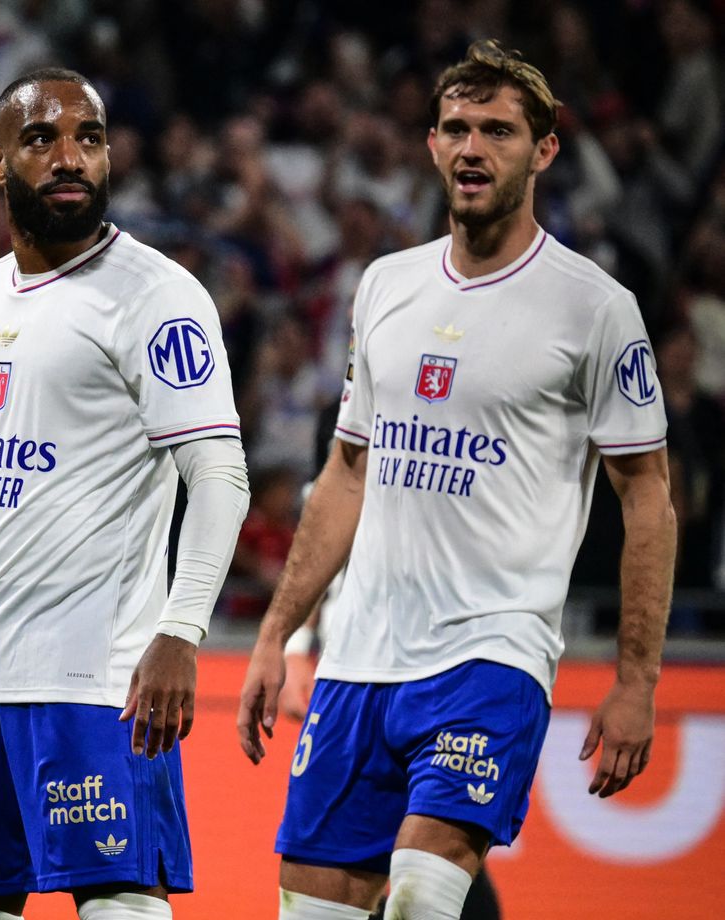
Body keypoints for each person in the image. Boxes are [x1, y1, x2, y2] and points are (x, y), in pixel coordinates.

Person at [236, 40, 675, 920]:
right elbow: (346, 472)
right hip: (359, 658)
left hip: (491, 654)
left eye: (499, 132)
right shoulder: (386, 288)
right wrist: (278, 633)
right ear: (432, 146)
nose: (474, 148)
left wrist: (636, 682)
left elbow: (649, 498)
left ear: (544, 150)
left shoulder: (594, 309)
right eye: (457, 129)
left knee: (422, 904)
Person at [0, 68, 251, 920]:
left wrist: (180, 631)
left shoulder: (158, 297)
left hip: (94, 679)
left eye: (89, 139)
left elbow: (218, 475)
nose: (71, 158)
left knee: (121, 901)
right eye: (43, 139)